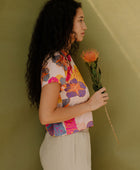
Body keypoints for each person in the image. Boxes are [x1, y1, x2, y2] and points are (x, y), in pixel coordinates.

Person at [25, 0, 109, 169]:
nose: (85, 26)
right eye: (80, 20)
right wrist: (89, 105)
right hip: (66, 147)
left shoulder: (65, 59)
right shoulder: (56, 62)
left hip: (73, 143)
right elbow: (46, 116)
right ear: (64, 22)